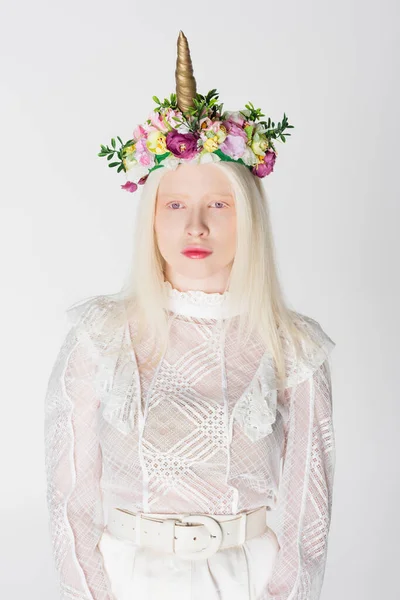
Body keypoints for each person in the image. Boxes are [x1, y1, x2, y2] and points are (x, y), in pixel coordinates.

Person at [44, 31, 336, 600]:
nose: (195, 227)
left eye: (217, 205)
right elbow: (68, 498)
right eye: (175, 205)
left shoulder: (292, 347)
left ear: (246, 216)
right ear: (151, 217)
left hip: (246, 579)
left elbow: (310, 516)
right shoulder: (102, 336)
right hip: (126, 579)